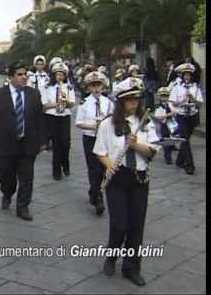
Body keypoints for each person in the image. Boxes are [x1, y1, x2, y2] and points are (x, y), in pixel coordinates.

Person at [93, 76, 161, 287]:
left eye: (137, 99)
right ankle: (111, 257)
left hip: (139, 178)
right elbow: (100, 151)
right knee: (120, 224)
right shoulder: (107, 124)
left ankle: (132, 267)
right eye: (130, 99)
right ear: (121, 101)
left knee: (136, 226)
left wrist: (136, 145)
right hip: (117, 177)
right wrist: (108, 164)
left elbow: (152, 151)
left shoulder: (146, 123)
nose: (135, 102)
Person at [0, 61, 47, 221]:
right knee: (6, 175)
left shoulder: (34, 94)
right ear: (11, 76)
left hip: (28, 143)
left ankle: (23, 206)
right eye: (19, 74)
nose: (23, 77)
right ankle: (7, 192)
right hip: (6, 144)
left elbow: (40, 119)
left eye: (25, 74)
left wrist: (43, 141)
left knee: (27, 177)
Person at [75, 71, 114, 216]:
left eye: (99, 85)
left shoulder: (108, 103)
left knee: (103, 168)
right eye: (93, 86)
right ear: (89, 88)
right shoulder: (84, 103)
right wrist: (93, 126)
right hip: (90, 138)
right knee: (94, 168)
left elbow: (114, 119)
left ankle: (94, 190)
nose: (97, 89)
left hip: (104, 139)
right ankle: (98, 198)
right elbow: (78, 122)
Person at [41, 62, 76, 180]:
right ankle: (56, 170)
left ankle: (65, 163)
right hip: (52, 116)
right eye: (58, 74)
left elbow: (72, 104)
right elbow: (44, 105)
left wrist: (66, 101)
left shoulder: (69, 87)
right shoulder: (47, 86)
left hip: (65, 116)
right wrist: (56, 104)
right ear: (53, 75)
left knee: (66, 143)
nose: (60, 77)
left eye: (62, 75)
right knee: (56, 144)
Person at [169, 63, 203, 175]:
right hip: (181, 115)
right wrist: (182, 100)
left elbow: (200, 103)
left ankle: (179, 160)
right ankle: (189, 165)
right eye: (185, 75)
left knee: (186, 139)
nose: (187, 77)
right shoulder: (177, 87)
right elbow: (172, 101)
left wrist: (192, 98)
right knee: (185, 140)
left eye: (189, 75)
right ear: (182, 76)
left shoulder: (195, 87)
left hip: (192, 116)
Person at [154, 87, 179, 165]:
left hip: (172, 124)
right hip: (164, 124)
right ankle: (167, 157)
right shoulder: (158, 106)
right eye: (163, 96)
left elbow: (176, 111)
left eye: (166, 96)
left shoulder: (170, 104)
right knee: (165, 141)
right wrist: (168, 114)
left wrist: (174, 113)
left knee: (172, 138)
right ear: (160, 97)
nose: (164, 98)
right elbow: (158, 117)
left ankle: (172, 147)